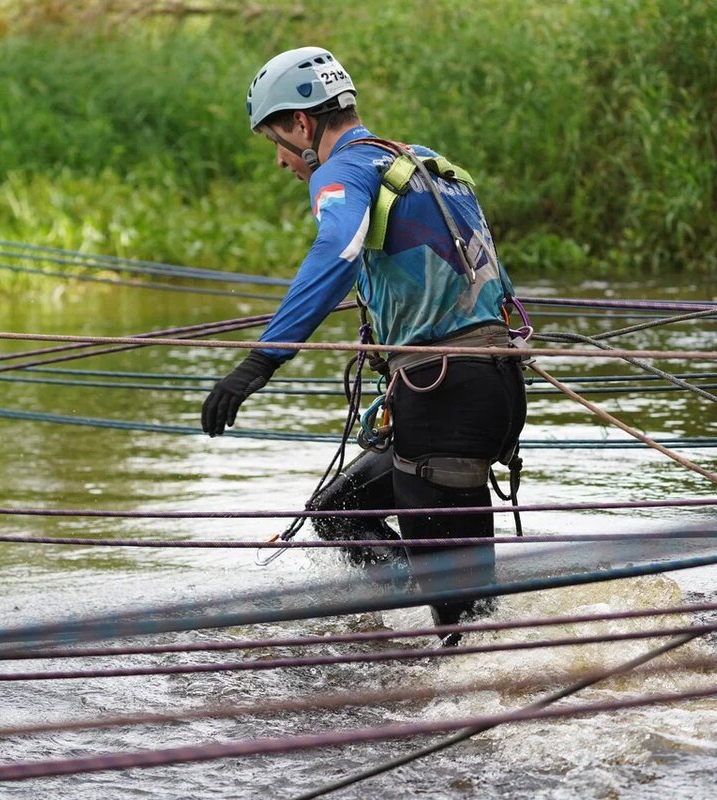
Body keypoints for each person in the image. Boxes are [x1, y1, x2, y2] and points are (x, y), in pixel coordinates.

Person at [201, 46, 527, 643]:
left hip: (443, 392)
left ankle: (470, 688)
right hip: (495, 385)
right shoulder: (419, 161)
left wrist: (260, 362)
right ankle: (421, 626)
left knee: (464, 628)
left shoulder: (344, 170)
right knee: (340, 513)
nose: (279, 161)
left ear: (302, 124)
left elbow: (337, 251)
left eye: (275, 140)